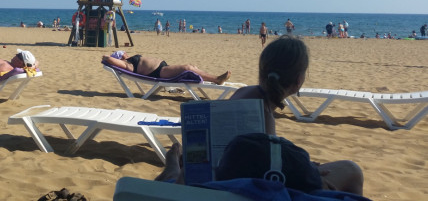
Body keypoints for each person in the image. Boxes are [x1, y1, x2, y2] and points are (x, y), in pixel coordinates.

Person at [156, 36, 364, 195]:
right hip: (223, 188)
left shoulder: (244, 92)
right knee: (352, 170)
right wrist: (309, 174)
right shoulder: (263, 114)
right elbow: (266, 176)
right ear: (299, 80)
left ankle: (173, 169)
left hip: (198, 179)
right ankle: (173, 170)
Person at [102, 50, 231, 84]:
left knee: (191, 66)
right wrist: (107, 57)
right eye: (123, 53)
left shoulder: (129, 61)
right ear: (120, 57)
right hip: (159, 72)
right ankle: (216, 79)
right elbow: (107, 58)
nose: (126, 53)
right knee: (187, 68)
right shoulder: (127, 64)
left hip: (163, 68)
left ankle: (211, 78)